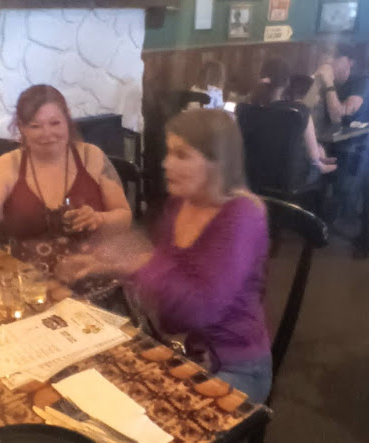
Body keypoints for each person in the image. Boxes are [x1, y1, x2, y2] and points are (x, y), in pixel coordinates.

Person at [58, 109, 273, 404]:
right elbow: (166, 276)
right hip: (182, 348)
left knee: (137, 415)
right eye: (169, 152)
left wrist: (141, 262)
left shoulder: (242, 216)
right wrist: (106, 263)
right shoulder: (179, 204)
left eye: (182, 155)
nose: (166, 163)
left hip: (233, 366)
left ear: (218, 162)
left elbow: (199, 309)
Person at [0, 85, 131, 281]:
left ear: (67, 121)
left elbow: (124, 217)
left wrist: (99, 219)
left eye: (55, 123)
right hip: (31, 284)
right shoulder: (6, 166)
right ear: (22, 128)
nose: (47, 133)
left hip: (93, 276)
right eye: (35, 126)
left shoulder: (91, 157)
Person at [251, 58, 337, 185]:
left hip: (253, 174)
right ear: (287, 83)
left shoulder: (246, 108)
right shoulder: (299, 111)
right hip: (288, 178)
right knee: (323, 164)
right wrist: (318, 159)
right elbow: (313, 158)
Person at [314, 43, 369, 240]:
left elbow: (338, 115)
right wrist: (317, 83)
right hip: (330, 143)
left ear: (350, 62)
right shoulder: (327, 83)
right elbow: (305, 111)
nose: (329, 62)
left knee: (343, 183)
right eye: (327, 57)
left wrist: (328, 83)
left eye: (335, 57)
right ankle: (316, 216)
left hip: (356, 147)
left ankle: (345, 222)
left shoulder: (361, 82)